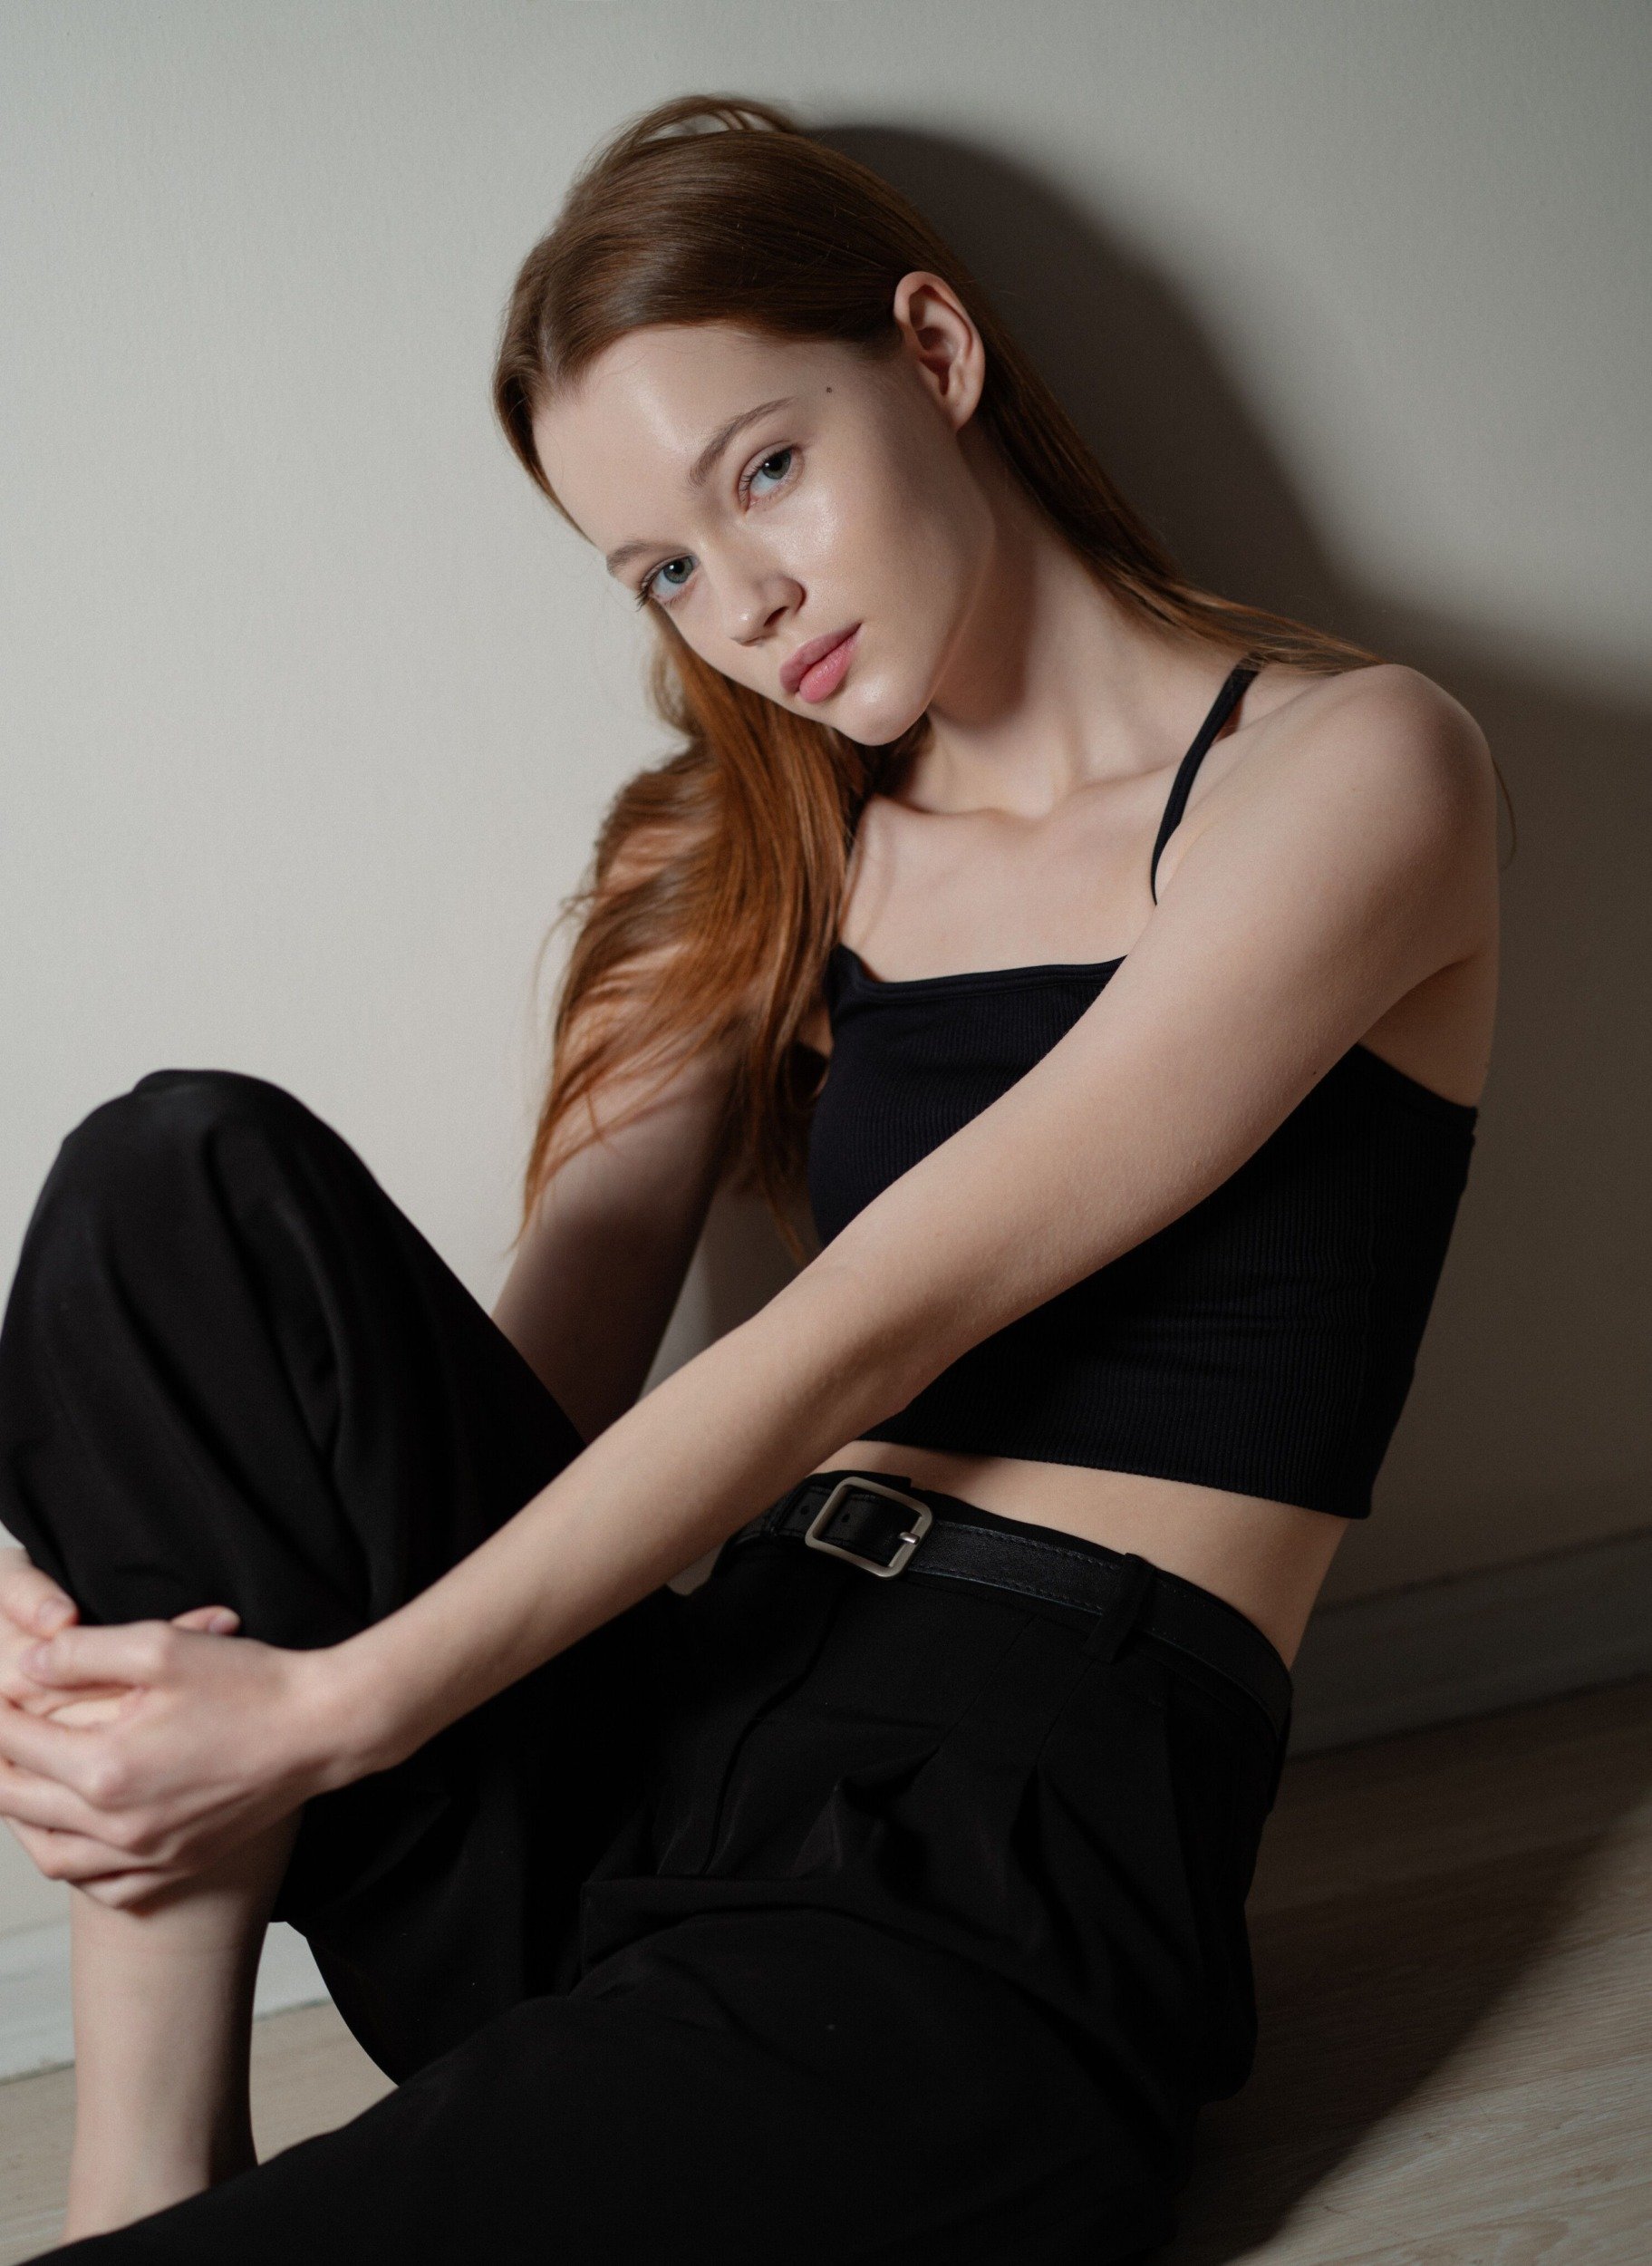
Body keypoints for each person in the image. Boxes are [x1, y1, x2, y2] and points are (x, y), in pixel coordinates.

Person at [0, 93, 1501, 2264]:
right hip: (667, 1741)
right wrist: (106, 1643)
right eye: (665, 571)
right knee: (172, 1177)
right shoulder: (731, 843)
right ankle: (142, 2161)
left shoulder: (1355, 771)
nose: (746, 599)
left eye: (766, 469)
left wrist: (326, 1712)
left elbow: (878, 1319)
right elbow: (532, 1395)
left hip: (989, 1865)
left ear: (935, 351)